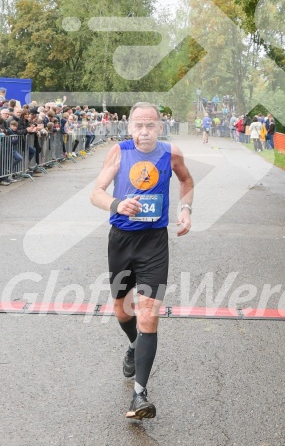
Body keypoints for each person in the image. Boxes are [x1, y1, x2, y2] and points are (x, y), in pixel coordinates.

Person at [90, 102, 193, 420]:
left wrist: (185, 209)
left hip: (153, 243)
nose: (144, 131)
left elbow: (187, 183)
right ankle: (134, 344)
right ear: (130, 127)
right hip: (121, 241)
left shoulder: (171, 153)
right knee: (122, 309)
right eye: (138, 125)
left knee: (148, 316)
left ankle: (139, 395)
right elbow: (96, 192)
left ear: (160, 127)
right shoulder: (119, 152)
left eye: (150, 125)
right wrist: (117, 203)